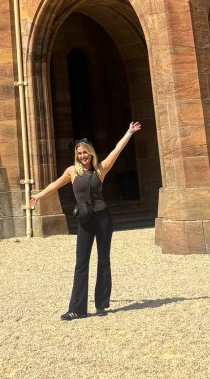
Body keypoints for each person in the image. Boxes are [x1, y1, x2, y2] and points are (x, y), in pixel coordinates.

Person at [26, 121, 142, 320]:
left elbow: (117, 150)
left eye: (85, 152)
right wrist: (38, 196)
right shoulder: (72, 171)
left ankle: (101, 304)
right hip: (85, 220)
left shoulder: (100, 169)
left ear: (91, 153)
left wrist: (129, 132)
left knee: (103, 260)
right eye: (79, 153)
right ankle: (77, 309)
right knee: (81, 263)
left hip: (103, 218)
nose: (82, 156)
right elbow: (55, 185)